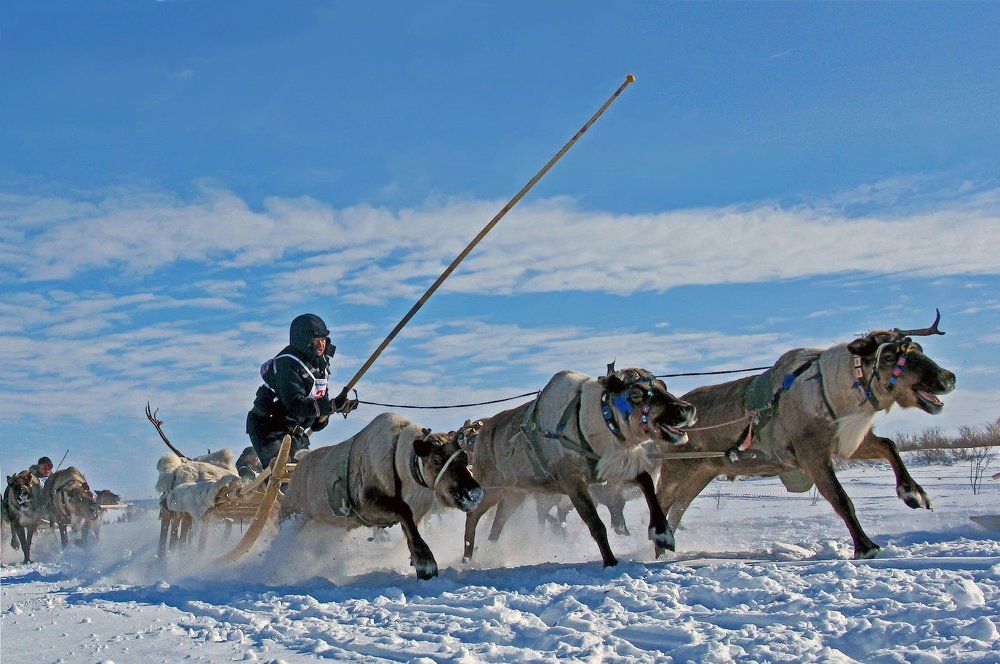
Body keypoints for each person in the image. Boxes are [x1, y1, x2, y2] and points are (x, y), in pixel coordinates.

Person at [246, 313, 356, 468]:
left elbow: (317, 416)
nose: (321, 344)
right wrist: (329, 406)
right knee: (283, 473)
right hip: (268, 429)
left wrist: (335, 408)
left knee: (307, 473)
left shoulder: (321, 368)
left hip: (295, 434)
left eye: (323, 339)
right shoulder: (286, 364)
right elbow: (295, 404)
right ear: (304, 340)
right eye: (316, 340)